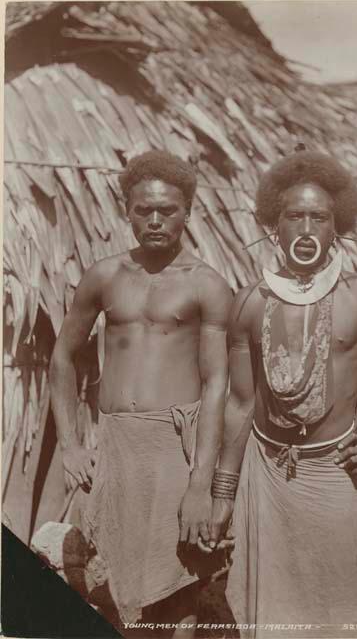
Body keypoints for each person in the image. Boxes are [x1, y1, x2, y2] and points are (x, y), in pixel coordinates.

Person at [208, 151, 357, 638]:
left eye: (319, 218)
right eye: (295, 216)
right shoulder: (250, 303)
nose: (306, 229)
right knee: (271, 620)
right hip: (268, 474)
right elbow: (239, 402)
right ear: (275, 224)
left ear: (336, 225)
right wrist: (223, 492)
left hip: (333, 473)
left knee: (341, 617)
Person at [50, 150, 232, 636]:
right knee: (109, 580)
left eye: (167, 210)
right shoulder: (104, 277)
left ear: (188, 211)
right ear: (126, 211)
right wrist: (71, 443)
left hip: (175, 447)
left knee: (178, 589)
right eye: (143, 210)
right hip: (116, 443)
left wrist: (200, 483)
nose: (155, 220)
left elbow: (218, 384)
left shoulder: (207, 286)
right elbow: (62, 358)